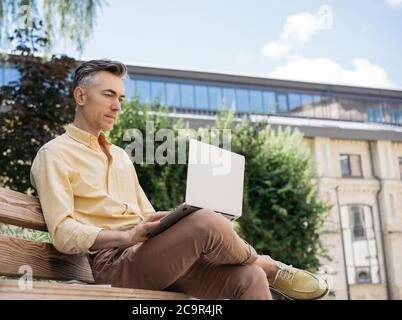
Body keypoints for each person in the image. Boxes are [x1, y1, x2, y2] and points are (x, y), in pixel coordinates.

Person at [30, 59, 329, 300]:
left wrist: (173, 218)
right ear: (80, 96)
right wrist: (125, 236)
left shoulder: (119, 156)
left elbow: (144, 216)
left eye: (120, 98)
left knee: (246, 276)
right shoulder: (53, 155)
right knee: (207, 223)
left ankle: (254, 265)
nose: (117, 106)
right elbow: (63, 231)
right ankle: (269, 265)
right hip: (114, 265)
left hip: (149, 255)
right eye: (108, 95)